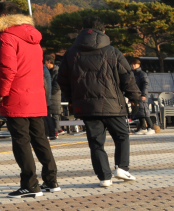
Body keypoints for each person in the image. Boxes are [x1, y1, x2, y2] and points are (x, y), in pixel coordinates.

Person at [57, 17, 139, 187]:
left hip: (87, 106)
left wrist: (72, 99)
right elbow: (127, 77)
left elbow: (62, 80)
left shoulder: (71, 53)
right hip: (113, 104)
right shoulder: (112, 52)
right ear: (103, 31)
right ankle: (121, 168)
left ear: (82, 30)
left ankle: (104, 177)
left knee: (96, 142)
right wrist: (135, 97)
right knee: (121, 136)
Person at [0, 1, 58, 197]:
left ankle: (30, 185)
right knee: (40, 139)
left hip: (16, 96)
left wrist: (0, 92)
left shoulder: (6, 37)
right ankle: (51, 180)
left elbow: (7, 69)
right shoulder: (33, 38)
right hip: (35, 96)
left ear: (3, 16)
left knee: (21, 141)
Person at [43, 55, 61, 139]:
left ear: (49, 61)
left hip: (54, 95)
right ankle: (54, 131)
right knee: (51, 114)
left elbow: (57, 84)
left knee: (54, 115)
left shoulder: (56, 71)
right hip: (51, 94)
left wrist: (50, 93)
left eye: (45, 62)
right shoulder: (50, 71)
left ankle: (55, 131)